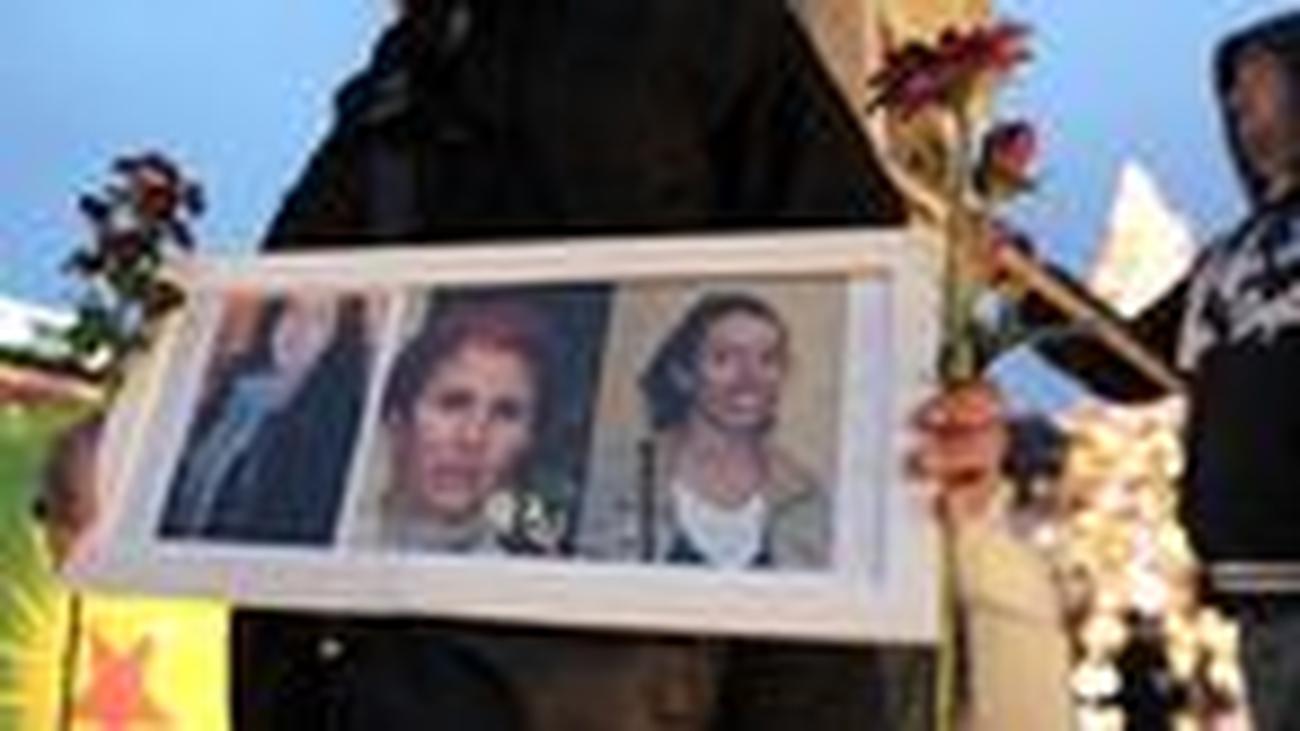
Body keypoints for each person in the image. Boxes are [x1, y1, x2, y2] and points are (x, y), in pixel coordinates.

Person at [41, 0, 1068, 728]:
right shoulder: (393, 83)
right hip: (378, 678)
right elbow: (266, 324)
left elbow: (858, 316)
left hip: (659, 680)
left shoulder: (714, 28)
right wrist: (118, 448)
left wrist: (930, 428)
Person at [1007, 10, 1300, 730]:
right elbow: (1127, 360)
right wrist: (1024, 286)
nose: (1237, 101)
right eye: (1231, 90)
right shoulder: (1228, 261)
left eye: (1259, 81)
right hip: (1258, 601)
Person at [577, 291, 829, 570]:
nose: (749, 378)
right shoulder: (622, 478)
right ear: (682, 373)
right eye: (724, 359)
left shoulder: (804, 497)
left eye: (767, 360)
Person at [352, 296, 563, 555]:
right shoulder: (332, 542)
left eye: (505, 414)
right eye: (452, 404)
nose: (472, 437)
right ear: (399, 423)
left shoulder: (523, 577)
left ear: (528, 440)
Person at [159, 293, 371, 544]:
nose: (298, 329)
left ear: (339, 335)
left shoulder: (332, 425)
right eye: (292, 311)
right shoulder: (234, 393)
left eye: (319, 319)